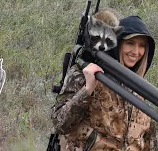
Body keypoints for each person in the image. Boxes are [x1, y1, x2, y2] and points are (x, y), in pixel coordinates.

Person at [50, 15, 157, 151]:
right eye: (130, 43)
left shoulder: (142, 90)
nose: (136, 52)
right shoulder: (89, 74)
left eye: (142, 45)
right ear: (118, 43)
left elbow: (150, 142)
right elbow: (60, 123)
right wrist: (87, 89)